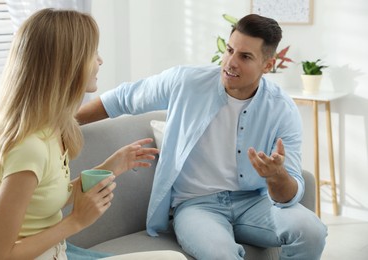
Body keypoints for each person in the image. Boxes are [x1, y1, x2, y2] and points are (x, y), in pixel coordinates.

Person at [76, 14, 328, 260]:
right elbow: (121, 99)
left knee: (312, 232)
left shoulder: (282, 108)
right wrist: (59, 121)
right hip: (196, 206)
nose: (230, 62)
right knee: (221, 254)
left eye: (245, 56)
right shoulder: (187, 82)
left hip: (254, 203)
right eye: (229, 50)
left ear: (267, 65)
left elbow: (290, 193)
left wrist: (276, 175)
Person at [0, 8, 187, 260]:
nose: (100, 61)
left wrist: (110, 167)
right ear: (68, 64)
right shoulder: (29, 147)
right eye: (93, 53)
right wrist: (76, 222)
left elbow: (42, 197)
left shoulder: (53, 129)